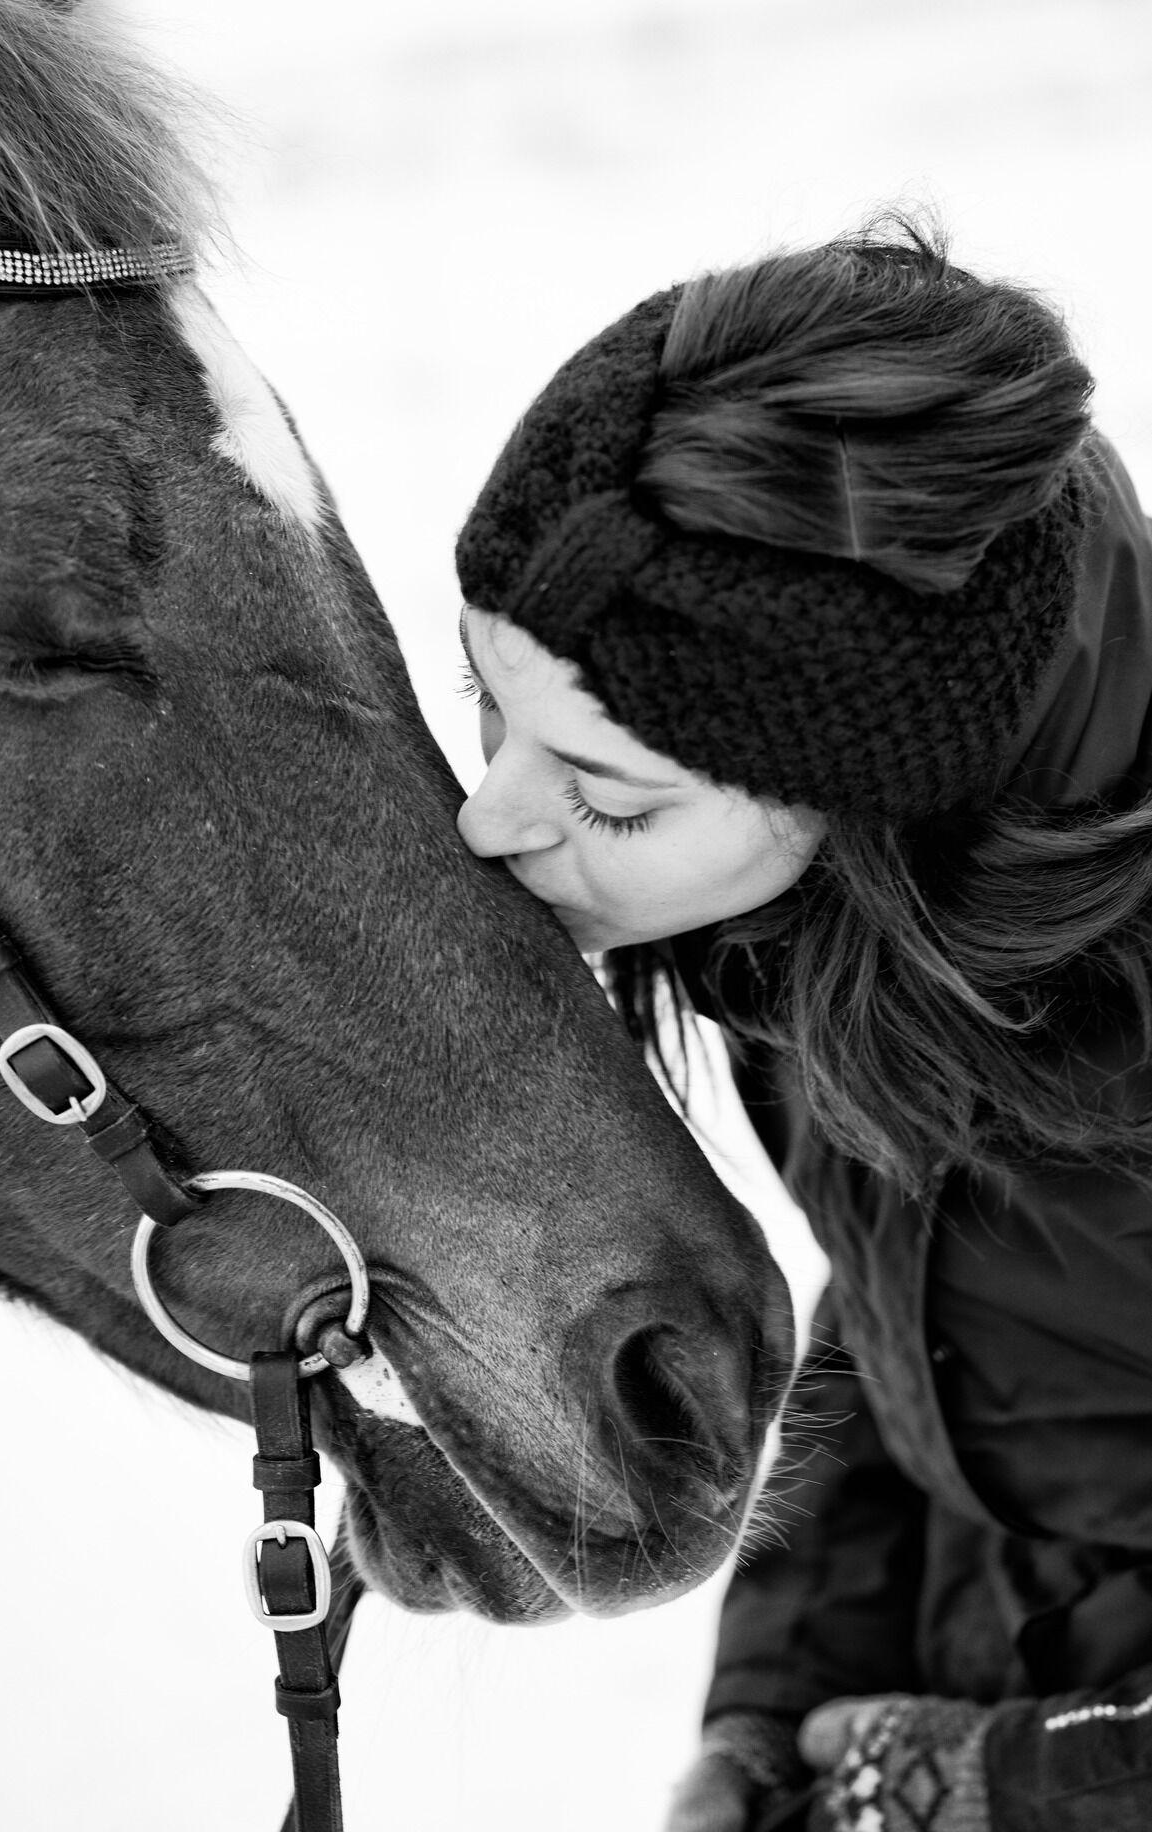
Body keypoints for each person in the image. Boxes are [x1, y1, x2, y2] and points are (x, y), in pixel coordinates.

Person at [451, 219, 1152, 1832]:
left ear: (864, 781)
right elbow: (930, 1316)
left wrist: (1029, 1781)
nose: (489, 820)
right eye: (488, 699)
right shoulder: (818, 917)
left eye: (607, 798)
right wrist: (771, 1709)